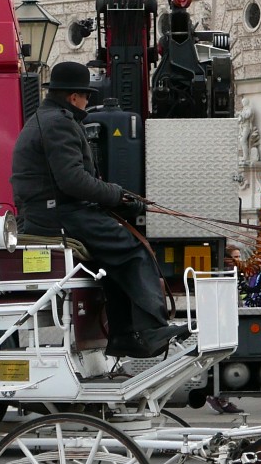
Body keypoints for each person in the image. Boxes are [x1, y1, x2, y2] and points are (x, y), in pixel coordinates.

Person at [10, 60, 186, 359]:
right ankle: (149, 329)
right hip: (59, 215)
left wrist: (117, 197)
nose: (88, 101)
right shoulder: (59, 123)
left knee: (113, 263)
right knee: (133, 251)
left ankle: (124, 336)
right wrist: (117, 196)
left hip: (48, 212)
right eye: (86, 95)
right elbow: (74, 181)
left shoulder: (48, 118)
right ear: (73, 96)